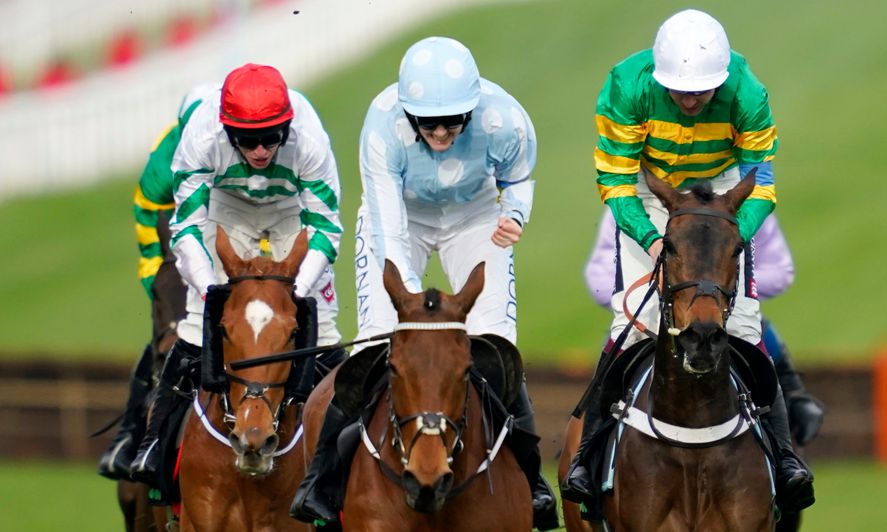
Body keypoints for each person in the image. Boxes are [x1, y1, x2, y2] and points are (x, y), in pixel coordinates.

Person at [289, 36, 558, 530]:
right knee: (375, 343)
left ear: (472, 110)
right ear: (408, 116)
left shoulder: (507, 120)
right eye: (428, 122)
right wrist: (419, 314)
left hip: (477, 215)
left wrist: (516, 213)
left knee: (498, 345)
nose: (439, 131)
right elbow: (389, 234)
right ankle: (323, 479)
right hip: (401, 219)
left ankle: (532, 480)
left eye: (452, 121)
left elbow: (520, 180)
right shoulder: (382, 125)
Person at [561, 9, 815, 513]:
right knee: (633, 323)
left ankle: (784, 459)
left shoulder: (747, 92)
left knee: (743, 324)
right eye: (680, 90)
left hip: (722, 190)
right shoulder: (626, 86)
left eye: (702, 91)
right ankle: (587, 459)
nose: (691, 99)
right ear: (659, 76)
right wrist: (652, 240)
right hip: (649, 195)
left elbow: (761, 184)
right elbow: (615, 183)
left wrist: (726, 237)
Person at [128, 64, 345, 486]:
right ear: (228, 131)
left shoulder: (312, 140)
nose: (261, 150)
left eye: (271, 138)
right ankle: (153, 444)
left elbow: (327, 229)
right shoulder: (201, 135)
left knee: (323, 332)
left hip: (291, 211)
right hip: (226, 208)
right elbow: (186, 227)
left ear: (288, 127)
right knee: (195, 322)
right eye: (248, 140)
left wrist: (294, 295)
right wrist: (212, 290)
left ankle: (335, 470)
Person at [583, 209, 825, 444]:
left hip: (721, 304)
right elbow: (598, 277)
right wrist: (671, 289)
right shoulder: (631, 208)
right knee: (620, 338)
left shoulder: (747, 207)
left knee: (758, 328)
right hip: (654, 304)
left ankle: (793, 399)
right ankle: (589, 448)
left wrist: (719, 287)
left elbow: (780, 272)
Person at [97, 83, 218, 481]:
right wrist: (159, 287)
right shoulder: (163, 164)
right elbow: (152, 236)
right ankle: (131, 437)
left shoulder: (231, 144)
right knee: (168, 335)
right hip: (175, 243)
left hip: (233, 229)